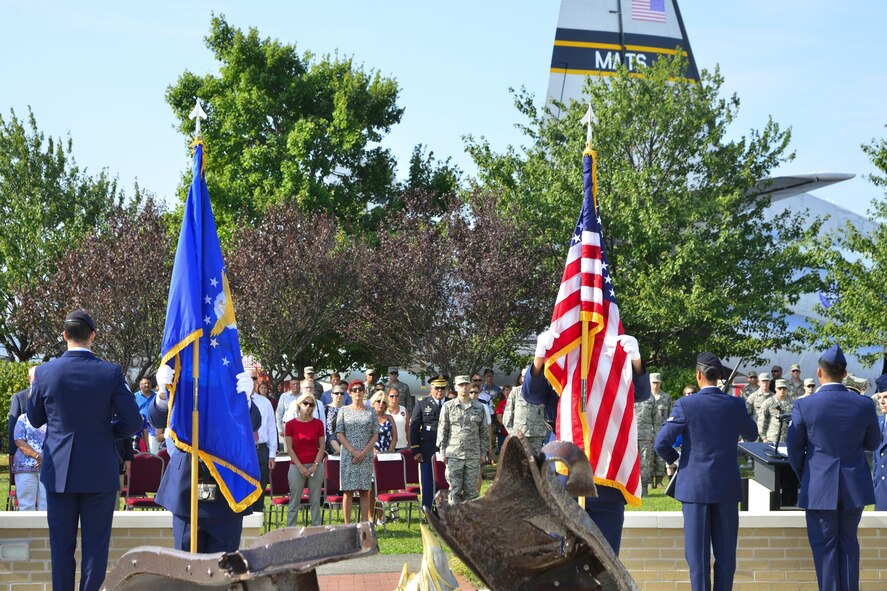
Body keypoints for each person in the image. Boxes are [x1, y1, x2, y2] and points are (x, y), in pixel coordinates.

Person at [27, 310, 142, 591]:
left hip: (59, 471)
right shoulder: (110, 372)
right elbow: (134, 422)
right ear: (92, 335)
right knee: (95, 551)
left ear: (65, 335)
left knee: (61, 549)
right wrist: (107, 433)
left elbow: (34, 418)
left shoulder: (44, 372)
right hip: (99, 471)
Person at [530, 329, 650, 555]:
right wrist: (539, 358)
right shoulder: (562, 361)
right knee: (561, 555)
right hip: (565, 472)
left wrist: (636, 362)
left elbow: (640, 393)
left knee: (606, 557)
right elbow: (532, 395)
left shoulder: (611, 360)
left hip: (606, 472)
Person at [654, 352, 758, 591]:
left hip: (694, 489)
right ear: (720, 376)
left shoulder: (686, 404)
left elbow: (661, 443)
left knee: (698, 559)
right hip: (727, 489)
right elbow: (752, 434)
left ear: (698, 375)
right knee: (726, 557)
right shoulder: (735, 403)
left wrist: (678, 460)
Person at [786, 345, 880, 591]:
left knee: (825, 551)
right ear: (845, 372)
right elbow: (873, 443)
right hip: (853, 487)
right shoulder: (864, 404)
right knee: (849, 545)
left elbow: (794, 450)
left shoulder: (805, 405)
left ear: (819, 372)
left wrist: (805, 476)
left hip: (818, 487)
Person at [148, 381, 255, 553]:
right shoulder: (183, 375)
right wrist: (162, 393)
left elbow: (253, 424)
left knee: (223, 570)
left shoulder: (226, 374)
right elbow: (156, 420)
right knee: (187, 568)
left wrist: (246, 400)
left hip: (227, 490)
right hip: (186, 488)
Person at [437, 376, 489, 504]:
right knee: (454, 491)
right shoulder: (448, 406)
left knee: (471, 492)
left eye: (466, 384)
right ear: (455, 387)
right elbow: (443, 430)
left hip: (473, 456)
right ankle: (453, 522)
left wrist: (483, 453)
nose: (464, 387)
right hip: (454, 455)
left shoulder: (479, 407)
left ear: (471, 386)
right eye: (461, 385)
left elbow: (483, 432)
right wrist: (442, 452)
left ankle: (469, 522)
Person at [335, 380, 378, 523]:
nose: (357, 392)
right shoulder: (343, 410)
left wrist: (364, 452)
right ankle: (348, 525)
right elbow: (339, 433)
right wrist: (353, 451)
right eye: (354, 390)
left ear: (364, 391)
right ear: (349, 393)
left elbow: (375, 434)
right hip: (348, 454)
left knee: (365, 491)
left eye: (360, 389)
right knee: (348, 491)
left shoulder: (371, 411)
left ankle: (365, 524)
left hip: (365, 455)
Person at [284, 392, 325, 526]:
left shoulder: (318, 424)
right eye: (305, 403)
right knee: (294, 501)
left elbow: (322, 447)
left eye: (311, 404)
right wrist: (301, 467)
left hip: (315, 466)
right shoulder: (290, 425)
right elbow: (289, 448)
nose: (307, 407)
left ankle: (316, 530)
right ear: (299, 404)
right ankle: (290, 531)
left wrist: (315, 465)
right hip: (296, 466)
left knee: (315, 501)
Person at [410, 374, 448, 513]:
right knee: (428, 482)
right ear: (431, 388)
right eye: (437, 388)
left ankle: (444, 510)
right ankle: (428, 511)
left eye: (443, 388)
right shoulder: (422, 403)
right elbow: (414, 427)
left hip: (447, 449)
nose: (440, 391)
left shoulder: (451, 403)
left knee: (445, 481)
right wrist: (416, 450)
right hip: (427, 449)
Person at [250, 374, 277, 512]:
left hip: (261, 449)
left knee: (260, 485)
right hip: (244, 450)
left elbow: (272, 428)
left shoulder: (264, 402)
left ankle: (258, 513)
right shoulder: (236, 400)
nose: (252, 382)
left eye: (254, 380)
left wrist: (272, 454)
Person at [12, 412, 47, 510]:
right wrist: (38, 456)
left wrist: (45, 458)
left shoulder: (52, 418)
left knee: (47, 505)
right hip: (25, 468)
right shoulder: (23, 418)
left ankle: (45, 526)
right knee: (26, 506)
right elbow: (19, 441)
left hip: (48, 467)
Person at [8, 366, 36, 455]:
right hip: (25, 453)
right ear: (29, 378)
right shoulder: (20, 397)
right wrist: (13, 453)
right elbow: (12, 426)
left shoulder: (50, 396)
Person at [758, 379, 794, 444]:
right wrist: (764, 438)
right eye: (779, 388)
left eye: (784, 388)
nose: (782, 390)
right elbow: (761, 421)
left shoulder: (793, 402)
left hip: (788, 438)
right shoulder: (768, 403)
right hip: (772, 439)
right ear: (775, 389)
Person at [873, 374, 887, 511]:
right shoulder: (879, 422)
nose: (882, 402)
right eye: (880, 398)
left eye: (886, 397)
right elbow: (876, 459)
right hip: (881, 492)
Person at [325, 385, 347, 454]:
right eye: (337, 393)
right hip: (328, 444)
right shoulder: (325, 408)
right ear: (332, 394)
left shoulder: (348, 409)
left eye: (342, 393)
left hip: (345, 443)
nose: (339, 395)